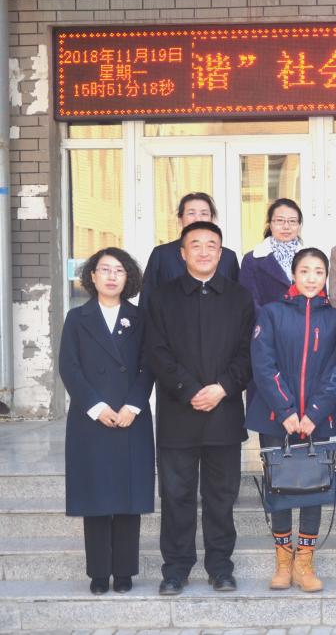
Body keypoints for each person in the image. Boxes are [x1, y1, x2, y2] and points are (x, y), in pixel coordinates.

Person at [144, 221, 255, 596]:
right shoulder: (162, 297)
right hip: (179, 413)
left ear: (221, 253)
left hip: (224, 413)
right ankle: (175, 569)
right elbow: (156, 351)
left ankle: (221, 567)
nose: (204, 251)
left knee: (221, 496)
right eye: (196, 245)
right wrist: (189, 390)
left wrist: (222, 388)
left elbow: (248, 353)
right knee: (176, 495)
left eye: (212, 245)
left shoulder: (240, 297)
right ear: (182, 253)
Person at [247, 247, 336, 593]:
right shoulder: (272, 313)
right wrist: (287, 411)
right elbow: (263, 363)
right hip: (277, 418)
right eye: (305, 271)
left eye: (319, 272)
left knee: (314, 488)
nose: (311, 278)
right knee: (281, 487)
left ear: (326, 277)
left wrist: (314, 412)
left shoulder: (335, 317)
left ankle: (305, 562)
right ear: (293, 274)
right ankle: (283, 561)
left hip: (319, 419)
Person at [59, 248, 155, 595]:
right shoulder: (77, 318)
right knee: (95, 495)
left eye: (119, 270)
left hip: (131, 417)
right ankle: (99, 573)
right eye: (105, 269)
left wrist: (134, 405)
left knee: (129, 496)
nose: (112, 276)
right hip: (90, 419)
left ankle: (125, 571)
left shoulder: (140, 317)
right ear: (92, 276)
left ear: (129, 277)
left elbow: (149, 364)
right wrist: (96, 406)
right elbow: (69, 367)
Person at [139, 192, 239, 311]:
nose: (198, 218)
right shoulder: (162, 254)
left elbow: (237, 299)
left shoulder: (228, 257)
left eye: (204, 213)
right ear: (180, 219)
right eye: (191, 213)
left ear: (212, 219)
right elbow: (147, 300)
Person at [239, 198, 304, 314]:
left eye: (292, 221)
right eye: (280, 220)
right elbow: (249, 302)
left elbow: (320, 299)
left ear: (299, 225)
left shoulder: (311, 258)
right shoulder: (252, 260)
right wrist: (270, 321)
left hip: (305, 323)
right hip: (267, 323)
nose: (286, 226)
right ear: (270, 224)